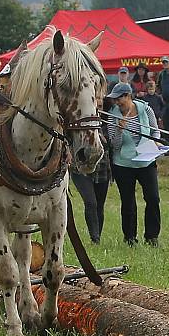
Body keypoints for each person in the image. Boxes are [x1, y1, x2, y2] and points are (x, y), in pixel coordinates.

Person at [106, 82, 161, 247]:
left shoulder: (146, 109)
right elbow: (114, 145)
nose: (116, 103)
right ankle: (130, 237)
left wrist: (155, 142)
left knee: (153, 198)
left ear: (128, 96)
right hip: (123, 164)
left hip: (147, 160)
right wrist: (119, 130)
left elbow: (155, 130)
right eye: (114, 100)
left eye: (119, 99)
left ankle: (152, 236)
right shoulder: (112, 116)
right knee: (128, 202)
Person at [71, 100, 112, 244]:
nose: (98, 108)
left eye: (100, 106)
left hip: (102, 169)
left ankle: (98, 237)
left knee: (99, 205)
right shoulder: (79, 120)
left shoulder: (108, 123)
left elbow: (113, 144)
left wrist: (107, 139)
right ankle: (94, 238)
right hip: (81, 168)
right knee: (91, 202)